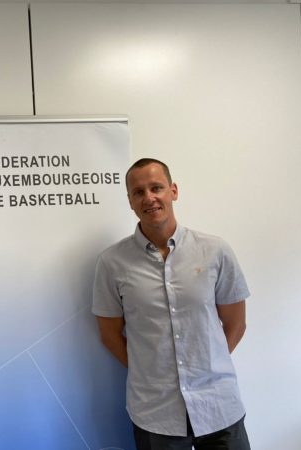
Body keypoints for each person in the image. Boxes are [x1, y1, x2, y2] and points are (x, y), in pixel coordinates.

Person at [93, 158, 251, 450]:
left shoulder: (215, 251)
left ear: (173, 191)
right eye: (138, 192)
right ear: (130, 201)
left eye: (156, 188)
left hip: (218, 405)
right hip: (156, 413)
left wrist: (205, 365)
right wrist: (152, 373)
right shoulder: (112, 263)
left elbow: (236, 323)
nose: (149, 198)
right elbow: (109, 334)